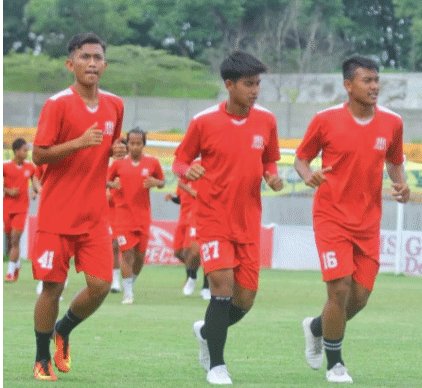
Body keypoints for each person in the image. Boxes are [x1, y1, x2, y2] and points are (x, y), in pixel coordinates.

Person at [294, 55, 410, 384]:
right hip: (331, 217)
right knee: (340, 290)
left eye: (376, 80)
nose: (375, 87)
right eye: (367, 81)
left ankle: (316, 327)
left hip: (369, 222)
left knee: (359, 297)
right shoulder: (325, 119)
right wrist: (307, 176)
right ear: (348, 85)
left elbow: (394, 160)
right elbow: (301, 159)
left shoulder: (392, 122)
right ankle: (335, 364)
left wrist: (400, 183)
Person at [172, 51, 283, 385]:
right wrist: (187, 170)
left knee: (244, 299)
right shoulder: (204, 121)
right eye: (248, 84)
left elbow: (270, 160)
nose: (255, 90)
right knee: (221, 288)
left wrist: (272, 176)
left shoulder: (267, 121)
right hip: (212, 219)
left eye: (258, 84)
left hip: (248, 221)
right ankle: (216, 365)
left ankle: (206, 331)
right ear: (229, 85)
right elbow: (179, 160)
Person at [31, 32, 126, 381]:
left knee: (101, 286)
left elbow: (112, 141)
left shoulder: (115, 104)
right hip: (56, 216)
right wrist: (79, 143)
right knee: (52, 288)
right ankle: (42, 358)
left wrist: (115, 150)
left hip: (94, 216)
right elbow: (40, 153)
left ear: (104, 64)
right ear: (71, 64)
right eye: (85, 57)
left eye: (97, 57)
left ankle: (64, 329)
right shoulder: (57, 104)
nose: (92, 63)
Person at [107, 128, 165, 305]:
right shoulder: (118, 164)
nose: (134, 146)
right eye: (131, 143)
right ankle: (128, 293)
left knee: (139, 259)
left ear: (144, 144)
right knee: (127, 254)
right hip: (123, 217)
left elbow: (162, 181)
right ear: (127, 144)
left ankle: (129, 283)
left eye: (138, 143)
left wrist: (156, 183)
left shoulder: (152, 163)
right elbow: (106, 180)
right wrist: (112, 184)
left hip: (143, 217)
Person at [165, 168, 210, 298]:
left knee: (194, 251)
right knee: (179, 252)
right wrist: (173, 198)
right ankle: (192, 275)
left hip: (198, 218)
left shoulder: (203, 175)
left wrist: (185, 187)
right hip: (183, 218)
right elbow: (181, 199)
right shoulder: (183, 179)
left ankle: (204, 286)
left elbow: (201, 195)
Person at [3, 138, 40, 283]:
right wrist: (7, 190)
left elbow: (36, 181)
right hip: (7, 208)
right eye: (24, 150)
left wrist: (35, 192)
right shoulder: (6, 167)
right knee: (8, 239)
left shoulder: (30, 167)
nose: (27, 152)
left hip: (21, 208)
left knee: (15, 238)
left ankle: (10, 272)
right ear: (16, 151)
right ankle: (16, 264)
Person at [108, 138, 128, 293]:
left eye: (122, 149)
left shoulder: (129, 166)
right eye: (117, 149)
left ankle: (128, 280)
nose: (119, 152)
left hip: (125, 211)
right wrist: (107, 192)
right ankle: (114, 279)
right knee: (113, 245)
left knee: (125, 248)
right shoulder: (108, 165)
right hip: (108, 210)